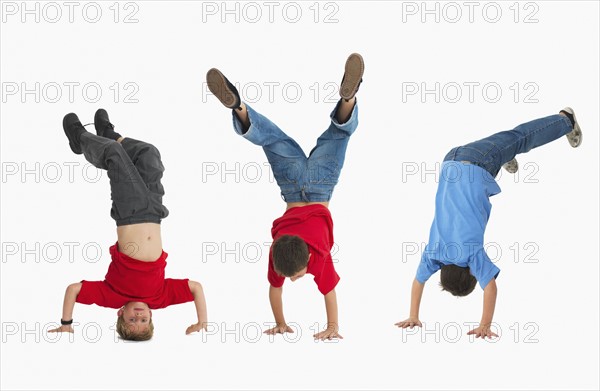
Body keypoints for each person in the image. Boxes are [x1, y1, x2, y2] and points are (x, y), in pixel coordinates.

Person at [206, 53, 364, 340]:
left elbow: (328, 293)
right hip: (291, 184)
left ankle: (348, 100)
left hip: (320, 184)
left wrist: (333, 327)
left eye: (294, 274)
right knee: (272, 139)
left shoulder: (317, 257)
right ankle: (240, 108)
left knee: (338, 137)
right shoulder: (277, 251)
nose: (293, 278)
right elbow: (275, 290)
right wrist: (280, 321)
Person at [395, 108, 583, 339]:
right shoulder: (434, 254)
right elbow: (418, 282)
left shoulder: (471, 256)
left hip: (480, 160)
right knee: (499, 154)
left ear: (472, 272)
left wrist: (485, 324)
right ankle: (504, 156)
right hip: (450, 163)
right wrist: (413, 315)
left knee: (520, 138)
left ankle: (565, 120)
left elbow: (491, 288)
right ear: (442, 270)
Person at [49, 109, 208, 341]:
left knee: (114, 154)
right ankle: (108, 133)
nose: (139, 316)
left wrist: (66, 323)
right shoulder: (160, 298)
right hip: (155, 212)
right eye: (144, 321)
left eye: (132, 320)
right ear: (151, 316)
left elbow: (73, 289)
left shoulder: (111, 296)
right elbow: (196, 288)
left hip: (130, 212)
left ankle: (79, 139)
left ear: (121, 313)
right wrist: (202, 321)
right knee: (148, 153)